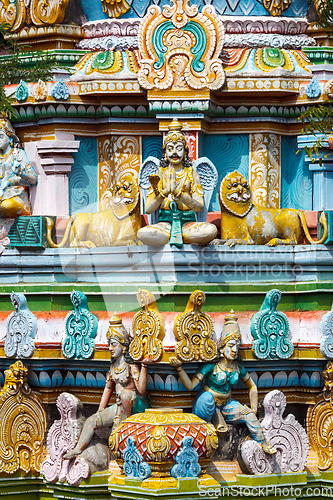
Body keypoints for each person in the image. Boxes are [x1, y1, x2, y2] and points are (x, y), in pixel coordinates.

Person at [171, 310, 276, 455]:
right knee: (208, 399)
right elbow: (190, 386)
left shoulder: (238, 368)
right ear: (222, 346)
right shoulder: (212, 366)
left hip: (227, 404)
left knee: (248, 415)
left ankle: (264, 444)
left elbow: (252, 386)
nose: (234, 350)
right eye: (231, 345)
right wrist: (179, 368)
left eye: (237, 346)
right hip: (206, 404)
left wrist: (252, 409)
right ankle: (206, 429)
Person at [64, 313, 150, 459]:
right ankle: (78, 449)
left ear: (123, 346)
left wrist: (144, 367)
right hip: (119, 406)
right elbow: (108, 388)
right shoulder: (113, 367)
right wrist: (100, 410)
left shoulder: (131, 366)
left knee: (125, 395)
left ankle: (126, 428)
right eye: (109, 343)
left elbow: (141, 390)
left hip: (135, 408)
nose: (110, 348)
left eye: (114, 344)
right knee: (91, 420)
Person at [137, 118, 217, 248]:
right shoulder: (159, 174)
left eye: (179, 148)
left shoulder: (192, 174)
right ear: (165, 152)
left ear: (185, 152)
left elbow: (200, 207)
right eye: (170, 148)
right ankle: (174, 235)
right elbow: (148, 209)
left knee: (210, 230)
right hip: (165, 224)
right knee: (144, 233)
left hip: (187, 223)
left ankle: (179, 236)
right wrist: (164, 192)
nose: (174, 152)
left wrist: (179, 193)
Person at [0, 115, 37, 218]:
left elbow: (33, 180)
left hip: (15, 195)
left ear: (10, 138)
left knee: (6, 206)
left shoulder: (18, 154)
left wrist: (18, 175)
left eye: (1, 136)